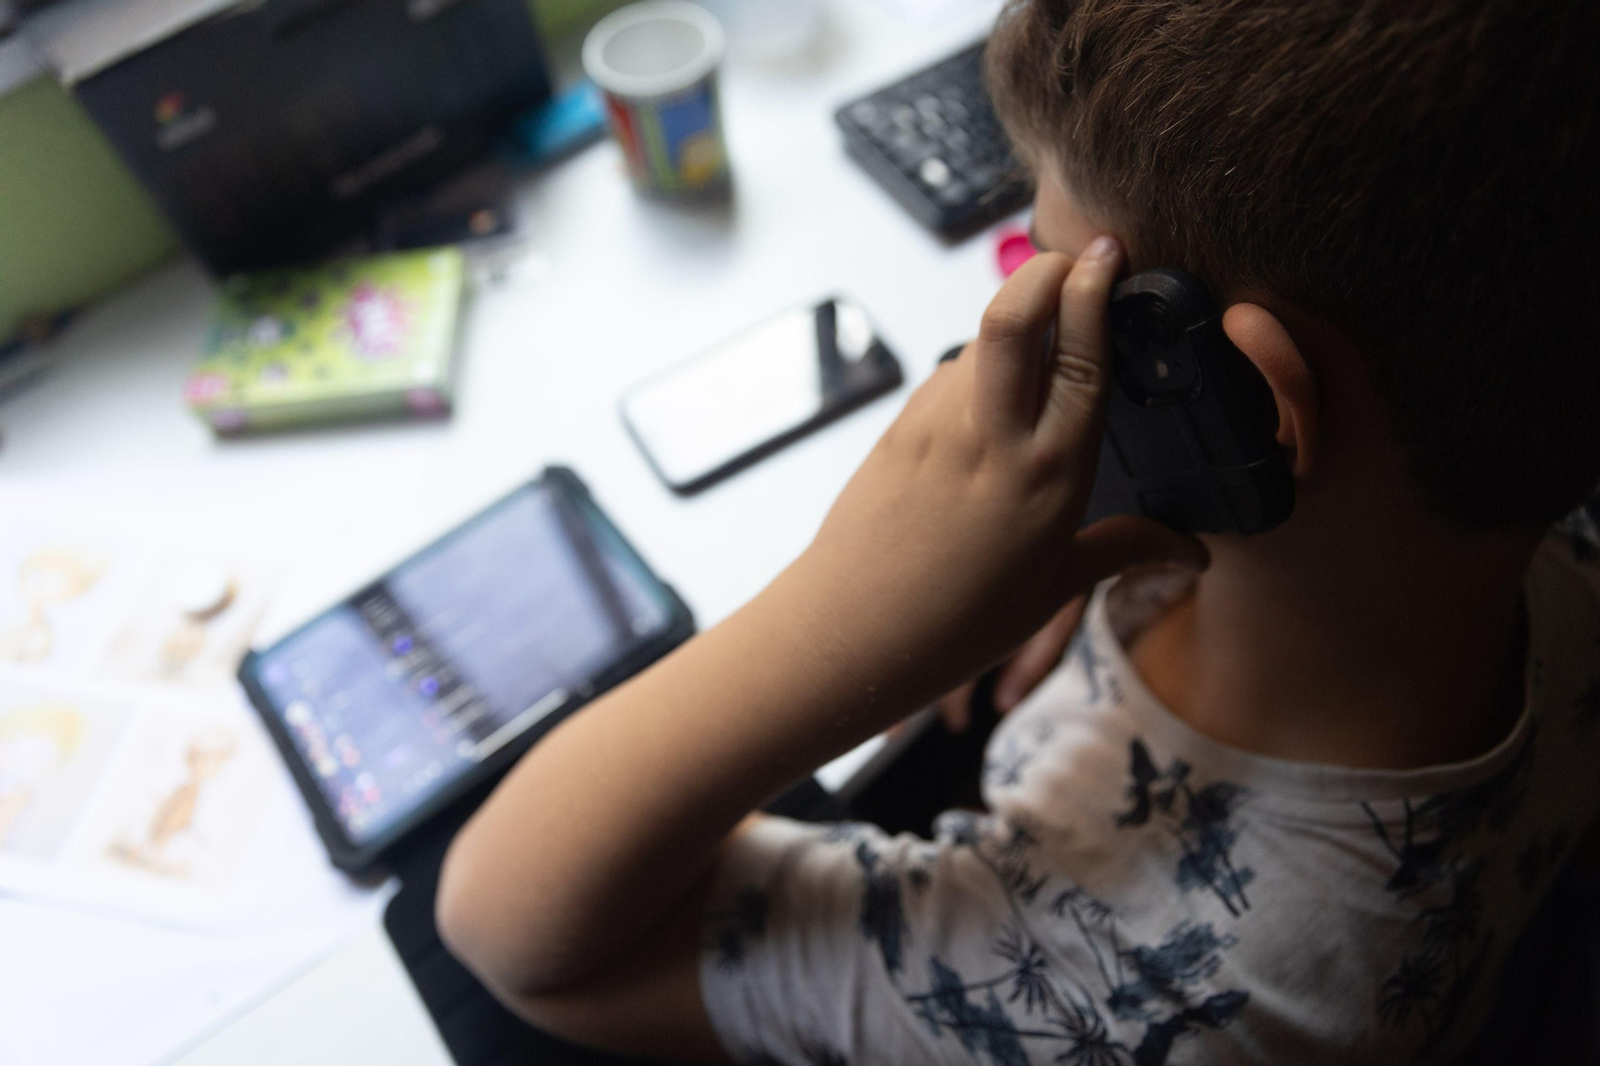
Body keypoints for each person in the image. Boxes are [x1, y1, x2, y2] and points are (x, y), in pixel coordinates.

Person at [434, 0, 1600, 1061]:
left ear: (1251, 412)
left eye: (1057, 275)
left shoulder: (1120, 998)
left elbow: (510, 928)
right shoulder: (1544, 518)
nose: (1006, 315)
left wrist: (846, 618)